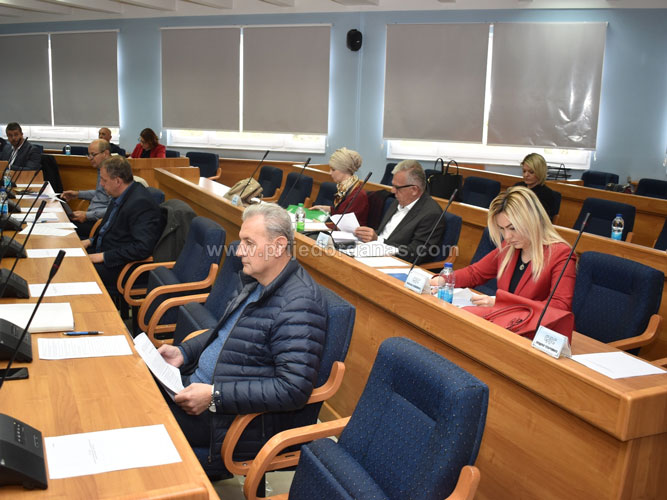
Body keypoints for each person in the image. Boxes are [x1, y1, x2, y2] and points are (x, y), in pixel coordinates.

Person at [157, 203, 327, 478]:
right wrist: (184, 352)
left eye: (249, 243)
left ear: (278, 246)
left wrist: (215, 396)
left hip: (229, 419)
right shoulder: (258, 280)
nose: (238, 251)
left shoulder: (300, 305)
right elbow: (225, 334)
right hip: (199, 389)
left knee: (141, 417)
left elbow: (293, 389)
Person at [435, 186, 576, 311]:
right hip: (505, 322)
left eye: (513, 228)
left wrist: (502, 304)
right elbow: (475, 273)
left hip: (536, 330)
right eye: (502, 229)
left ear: (532, 221)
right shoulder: (509, 248)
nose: (507, 237)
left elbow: (558, 307)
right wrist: (441, 280)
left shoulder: (561, 254)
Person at [82, 155, 162, 293]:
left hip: (122, 265)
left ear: (118, 181)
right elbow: (108, 228)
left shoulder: (141, 203)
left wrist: (103, 256)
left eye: (104, 180)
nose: (101, 184)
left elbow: (142, 247)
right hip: (106, 251)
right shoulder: (119, 194)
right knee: (69, 259)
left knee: (78, 271)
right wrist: (90, 241)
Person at [354, 160, 445, 264]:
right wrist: (366, 236)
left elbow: (416, 254)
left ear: (414, 190)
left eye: (397, 187)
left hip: (395, 262)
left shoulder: (431, 214)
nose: (392, 191)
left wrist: (378, 240)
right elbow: (384, 233)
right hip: (373, 252)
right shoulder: (398, 200)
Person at [61, 139, 113, 238]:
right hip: (92, 217)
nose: (90, 158)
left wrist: (87, 215)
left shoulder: (113, 172)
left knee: (64, 228)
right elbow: (100, 193)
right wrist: (77, 194)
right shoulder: (102, 169)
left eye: (93, 154)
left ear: (106, 153)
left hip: (99, 223)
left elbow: (114, 208)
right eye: (89, 155)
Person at [312, 147, 369, 225]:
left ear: (344, 169)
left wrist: (322, 225)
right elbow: (341, 212)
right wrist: (326, 208)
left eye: (333, 169)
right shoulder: (346, 188)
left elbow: (344, 225)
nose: (330, 173)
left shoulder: (358, 195)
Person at [514, 153, 557, 220]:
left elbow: (542, 220)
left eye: (531, 172)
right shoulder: (517, 187)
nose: (526, 175)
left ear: (540, 172)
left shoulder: (547, 194)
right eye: (524, 171)